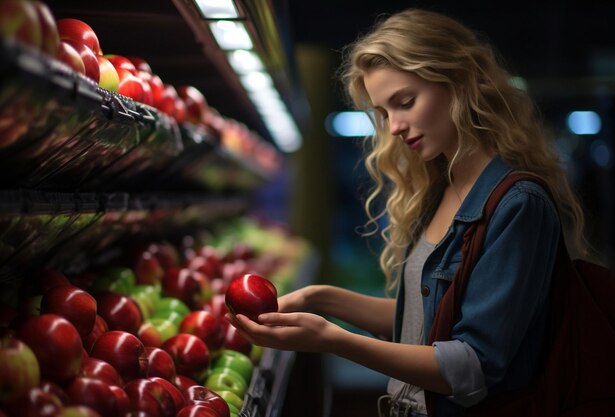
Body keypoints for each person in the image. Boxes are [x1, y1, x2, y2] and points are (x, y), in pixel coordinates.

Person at [227, 8, 589, 417]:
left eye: (405, 102)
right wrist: (320, 298)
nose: (394, 127)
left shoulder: (518, 205)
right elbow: (424, 322)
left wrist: (333, 339)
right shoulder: (441, 191)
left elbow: (471, 368)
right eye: (384, 113)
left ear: (458, 83)